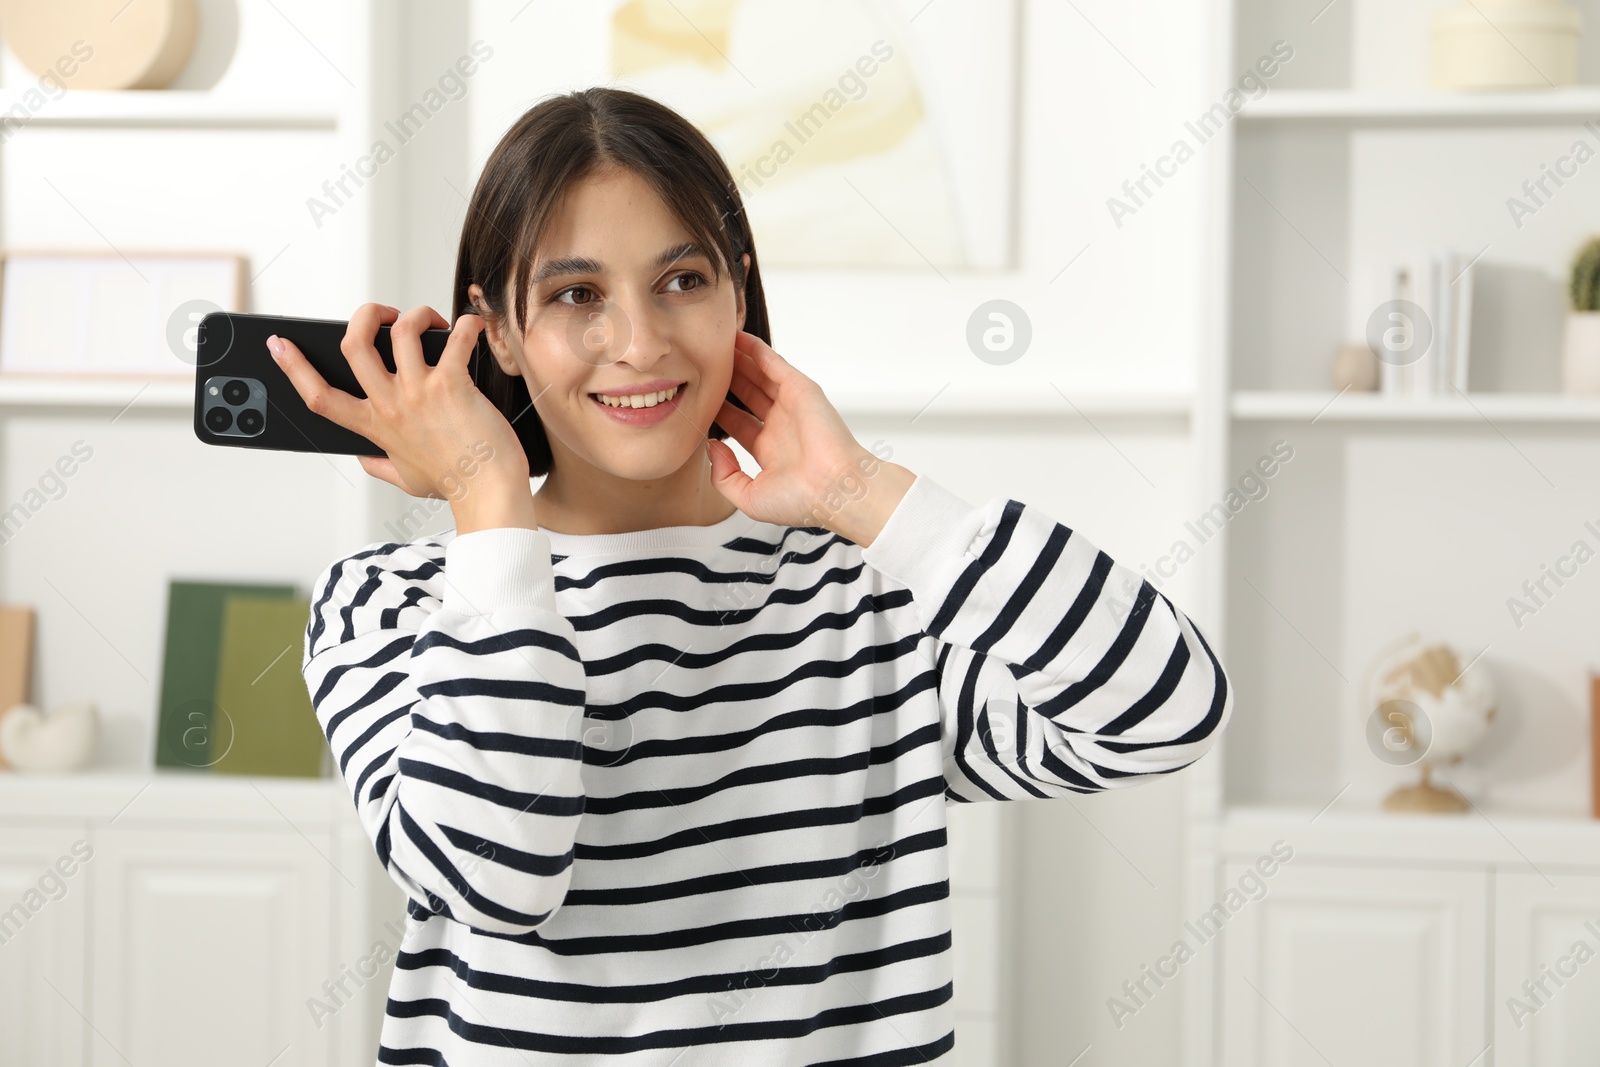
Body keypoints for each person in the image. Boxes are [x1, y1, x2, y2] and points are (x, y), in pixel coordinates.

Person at [279, 86, 1232, 1066]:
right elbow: (492, 879)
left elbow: (1165, 709)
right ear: (500, 334)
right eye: (576, 294)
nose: (640, 341)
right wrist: (485, 495)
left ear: (738, 292)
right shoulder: (388, 601)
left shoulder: (874, 600)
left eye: (681, 280)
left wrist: (863, 493)